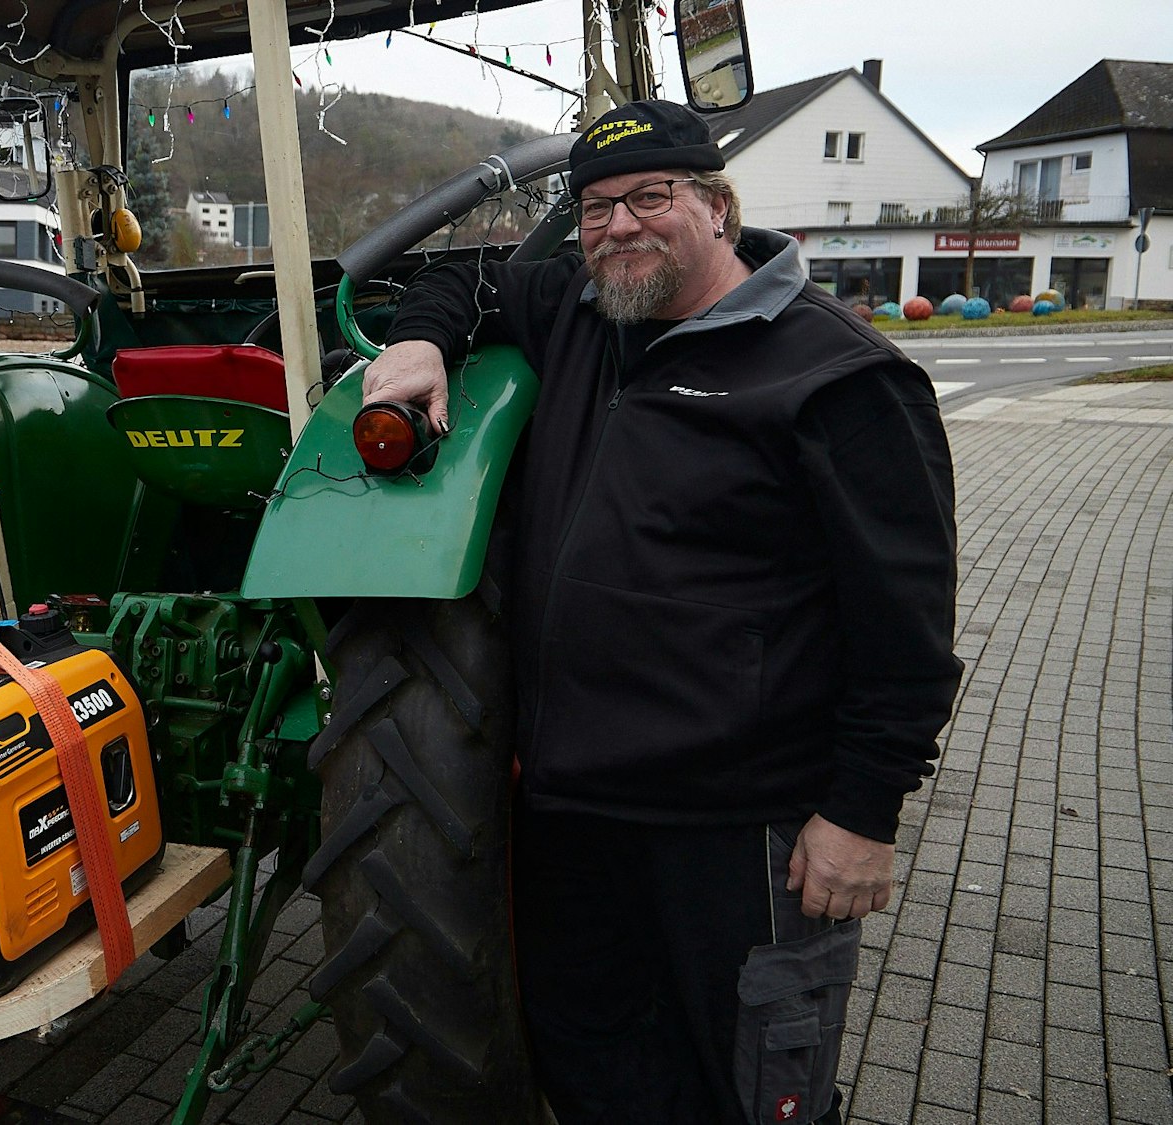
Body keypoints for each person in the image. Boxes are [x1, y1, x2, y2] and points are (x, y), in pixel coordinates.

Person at [364, 100, 962, 1124]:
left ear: (717, 208)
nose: (618, 226)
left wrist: (861, 813)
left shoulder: (837, 378)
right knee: (597, 1069)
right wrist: (418, 346)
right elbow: (461, 276)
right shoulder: (585, 315)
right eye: (595, 207)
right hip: (574, 824)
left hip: (733, 834)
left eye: (650, 197)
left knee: (750, 1088)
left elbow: (903, 630)